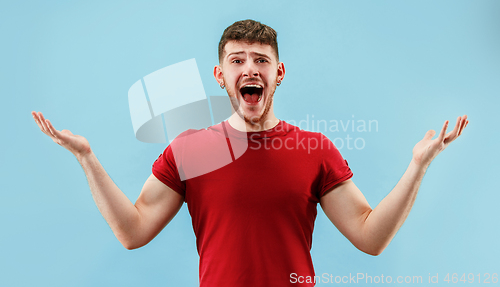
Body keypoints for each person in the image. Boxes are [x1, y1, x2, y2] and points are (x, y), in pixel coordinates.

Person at [32, 19, 468, 287]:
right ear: (221, 75)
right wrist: (87, 158)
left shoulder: (314, 149)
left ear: (278, 72)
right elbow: (133, 231)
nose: (249, 68)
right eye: (237, 61)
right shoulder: (190, 149)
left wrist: (417, 165)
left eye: (260, 59)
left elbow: (370, 237)